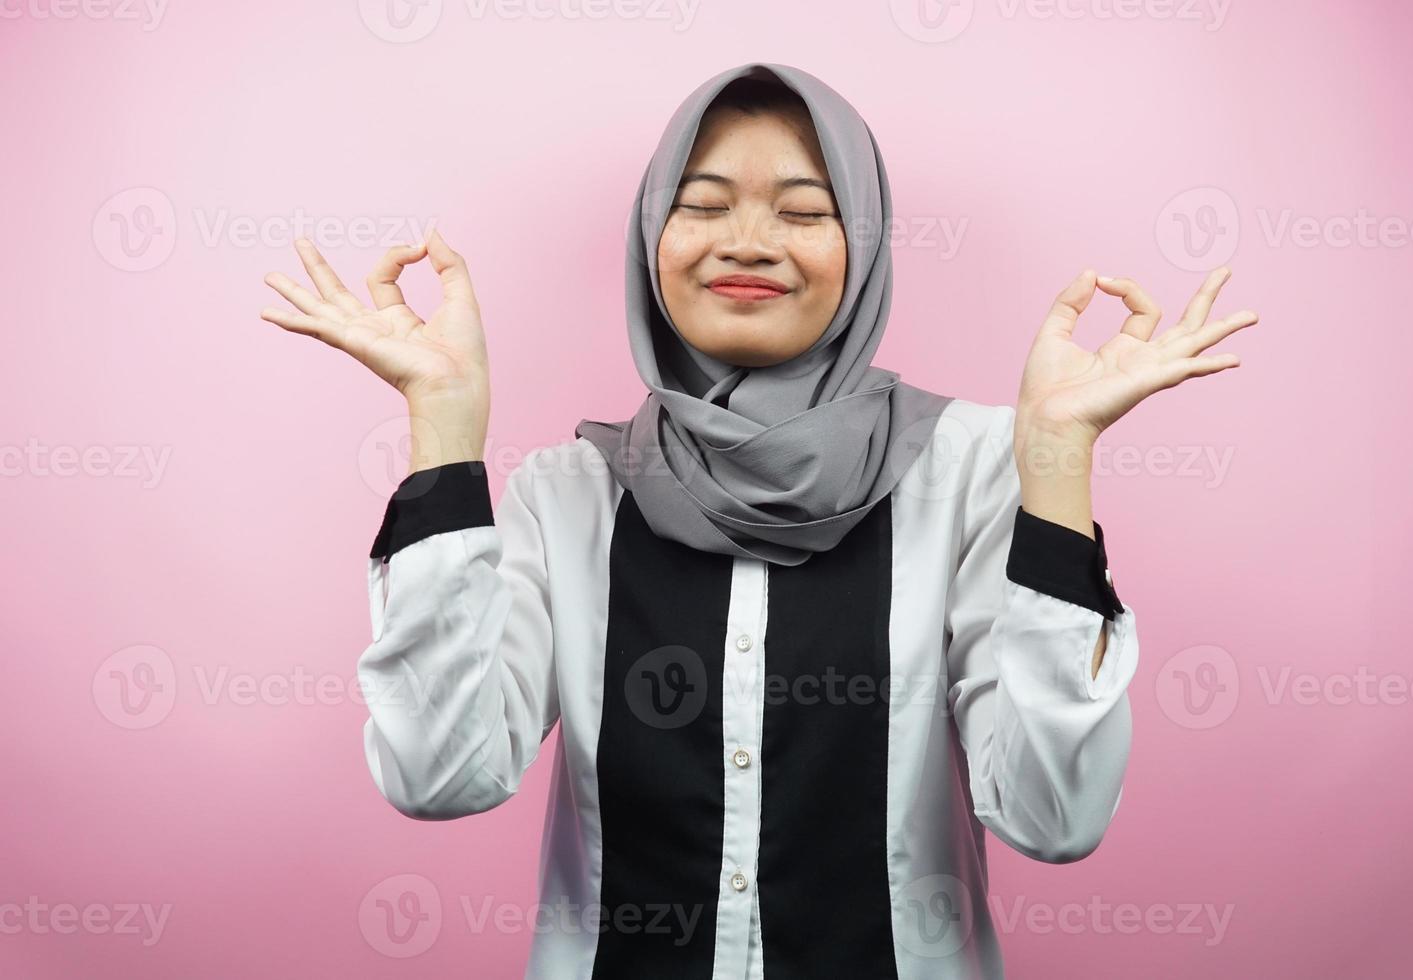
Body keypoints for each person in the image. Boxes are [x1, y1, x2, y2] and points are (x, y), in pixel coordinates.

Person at [261, 61, 1256, 980]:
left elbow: (1054, 814)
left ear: (861, 246)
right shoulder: (568, 494)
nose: (748, 241)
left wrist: (1056, 459)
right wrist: (442, 427)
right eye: (701, 207)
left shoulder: (973, 473)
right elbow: (440, 775)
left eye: (804, 211)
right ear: (652, 238)